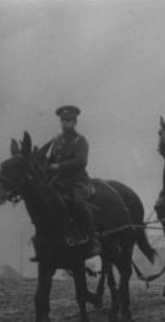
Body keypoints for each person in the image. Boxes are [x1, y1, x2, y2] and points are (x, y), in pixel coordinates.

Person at [45, 105, 101, 258]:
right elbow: (49, 159)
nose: (65, 124)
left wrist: (59, 166)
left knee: (78, 202)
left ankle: (93, 239)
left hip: (78, 182)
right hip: (59, 182)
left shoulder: (80, 140)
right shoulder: (56, 141)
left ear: (75, 122)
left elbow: (81, 161)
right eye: (63, 121)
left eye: (68, 121)